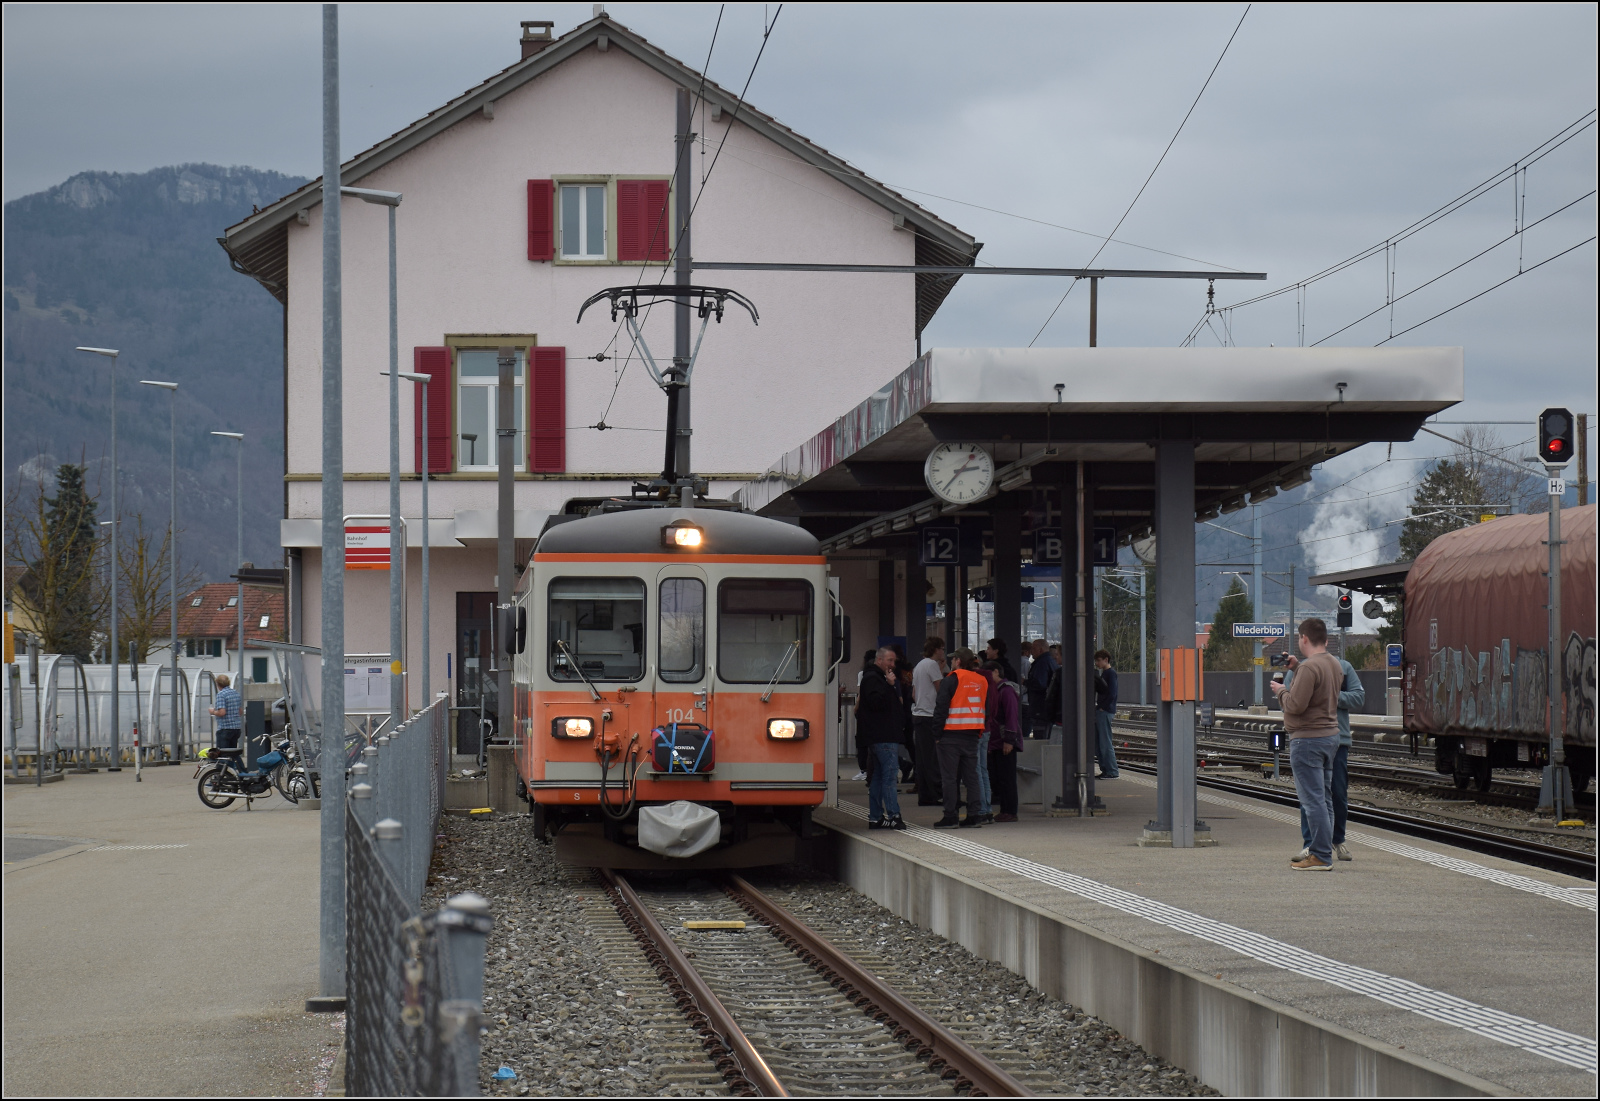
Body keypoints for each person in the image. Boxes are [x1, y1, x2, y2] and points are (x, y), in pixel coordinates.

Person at [1270, 618, 1344, 871]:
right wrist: (1297, 667)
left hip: (1308, 740)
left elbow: (1295, 705)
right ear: (1324, 638)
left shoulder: (1310, 668)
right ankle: (1323, 851)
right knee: (1324, 799)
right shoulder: (1333, 663)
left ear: (1304, 638)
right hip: (1329, 737)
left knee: (1312, 801)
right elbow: (1317, 689)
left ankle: (1320, 855)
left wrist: (1281, 690)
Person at [1287, 653, 1365, 862]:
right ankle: (1310, 843)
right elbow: (1290, 698)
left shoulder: (1344, 667)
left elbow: (1359, 696)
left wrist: (1328, 694)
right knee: (1310, 796)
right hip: (1308, 736)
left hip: (1338, 739)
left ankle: (1338, 839)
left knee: (1337, 793)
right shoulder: (1300, 668)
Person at [930, 648, 987, 828]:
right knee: (971, 777)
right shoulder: (981, 680)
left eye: (953, 659)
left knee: (949, 778)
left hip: (950, 736)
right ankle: (974, 815)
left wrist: (937, 734)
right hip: (972, 735)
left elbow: (941, 708)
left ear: (959, 661)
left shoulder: (951, 679)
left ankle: (950, 816)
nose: (952, 662)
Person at [856, 647, 907, 829]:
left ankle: (876, 817)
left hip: (877, 735)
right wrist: (889, 685)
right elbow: (877, 703)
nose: (893, 665)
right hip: (884, 735)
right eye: (889, 660)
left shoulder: (872, 677)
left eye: (894, 661)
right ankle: (894, 815)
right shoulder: (875, 679)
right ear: (879, 660)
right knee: (889, 776)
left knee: (878, 777)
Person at [982, 660, 1023, 821]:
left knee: (1007, 778)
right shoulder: (996, 690)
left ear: (996, 672)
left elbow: (1011, 717)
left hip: (1004, 740)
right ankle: (1006, 809)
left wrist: (1009, 740)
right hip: (996, 740)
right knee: (1000, 777)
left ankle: (1010, 811)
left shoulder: (1006, 691)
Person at [911, 638, 947, 806]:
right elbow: (940, 689)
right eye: (942, 649)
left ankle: (924, 794)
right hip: (930, 715)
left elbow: (914, 693)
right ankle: (937, 794)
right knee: (933, 758)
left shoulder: (919, 665)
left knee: (923, 758)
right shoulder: (932, 665)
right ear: (936, 649)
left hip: (918, 714)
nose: (943, 652)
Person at [1092, 650, 1121, 780]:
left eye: (1098, 660)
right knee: (1100, 743)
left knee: (1105, 742)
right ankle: (1105, 769)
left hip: (1105, 711)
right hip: (1102, 710)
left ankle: (1112, 771)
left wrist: (1103, 706)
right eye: (1096, 661)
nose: (1097, 663)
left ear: (1106, 660)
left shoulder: (1110, 673)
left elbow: (1112, 693)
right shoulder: (1104, 673)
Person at [1025, 639, 1057, 738]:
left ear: (1041, 650)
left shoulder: (1041, 663)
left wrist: (1025, 682)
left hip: (1040, 707)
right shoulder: (1051, 661)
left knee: (1040, 736)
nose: (1031, 652)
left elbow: (1039, 684)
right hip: (1048, 708)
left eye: (1033, 649)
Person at [210, 673, 243, 756]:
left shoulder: (221, 694)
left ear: (218, 684)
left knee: (222, 754)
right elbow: (240, 712)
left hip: (225, 728)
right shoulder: (235, 693)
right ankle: (238, 765)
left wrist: (213, 712)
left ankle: (223, 765)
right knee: (233, 754)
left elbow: (222, 712)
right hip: (236, 728)